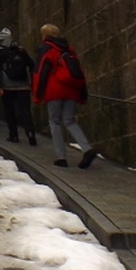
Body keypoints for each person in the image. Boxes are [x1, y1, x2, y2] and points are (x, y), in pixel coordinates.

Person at [33, 24, 98, 168]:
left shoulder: (45, 48)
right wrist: (83, 94)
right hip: (71, 89)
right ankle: (87, 148)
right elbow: (77, 71)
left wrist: (38, 94)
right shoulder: (68, 48)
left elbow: (41, 72)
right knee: (69, 120)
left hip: (54, 90)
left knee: (54, 122)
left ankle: (61, 157)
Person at [0, 28, 36, 145]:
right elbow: (32, 65)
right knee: (25, 110)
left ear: (1, 40)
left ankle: (14, 135)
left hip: (7, 87)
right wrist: (30, 81)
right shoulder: (21, 50)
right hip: (23, 85)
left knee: (9, 111)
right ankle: (30, 132)